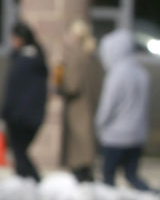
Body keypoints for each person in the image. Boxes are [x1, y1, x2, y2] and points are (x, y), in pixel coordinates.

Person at [94, 28, 151, 191]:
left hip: (115, 136)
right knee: (131, 175)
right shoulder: (142, 73)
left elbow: (107, 107)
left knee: (108, 178)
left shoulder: (116, 75)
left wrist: (98, 125)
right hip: (138, 135)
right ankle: (152, 198)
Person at [55, 19, 101, 183]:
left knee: (78, 157)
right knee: (86, 157)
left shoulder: (74, 57)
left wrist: (59, 82)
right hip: (91, 108)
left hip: (77, 111)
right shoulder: (92, 57)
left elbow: (71, 86)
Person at [2, 22, 49, 180]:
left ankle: (33, 181)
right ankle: (26, 182)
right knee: (19, 152)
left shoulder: (25, 61)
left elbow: (15, 90)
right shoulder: (33, 58)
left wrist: (7, 111)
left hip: (21, 116)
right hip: (26, 115)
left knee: (19, 152)